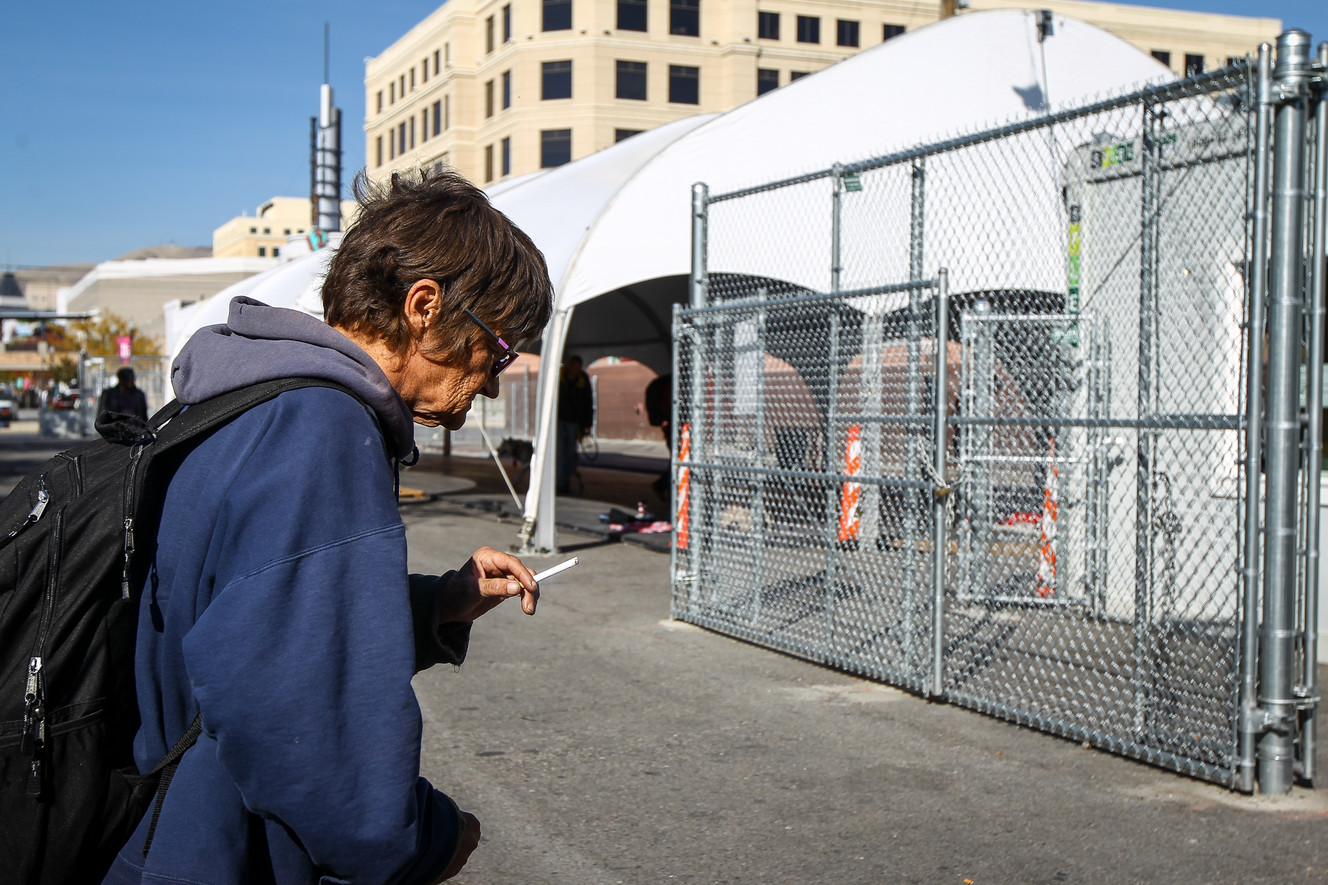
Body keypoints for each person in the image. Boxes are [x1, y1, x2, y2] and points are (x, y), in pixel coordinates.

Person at [101, 168, 554, 885]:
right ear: (424, 306)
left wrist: (439, 602)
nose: (493, 379)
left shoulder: (251, 399)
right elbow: (299, 721)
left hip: (158, 835)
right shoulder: (324, 429)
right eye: (495, 348)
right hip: (218, 852)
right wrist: (428, 837)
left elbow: (254, 618)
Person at [556, 353, 593, 493]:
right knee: (560, 451)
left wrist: (587, 424)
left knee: (570, 452)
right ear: (569, 365)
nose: (577, 370)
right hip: (559, 419)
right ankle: (560, 481)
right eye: (575, 367)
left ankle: (565, 480)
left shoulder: (583, 379)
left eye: (579, 367)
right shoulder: (559, 376)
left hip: (574, 421)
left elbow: (588, 402)